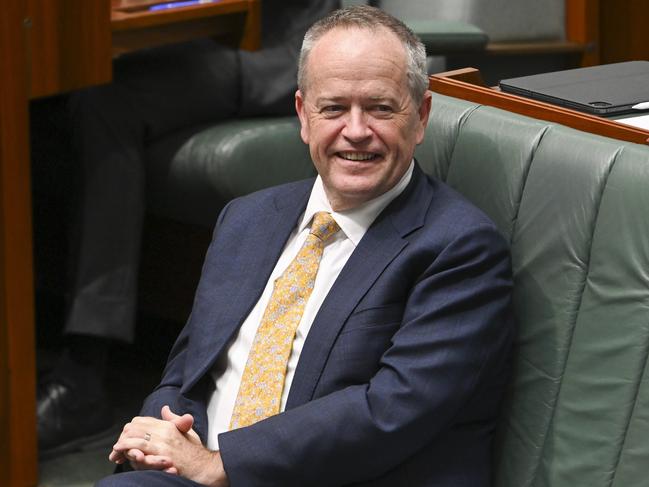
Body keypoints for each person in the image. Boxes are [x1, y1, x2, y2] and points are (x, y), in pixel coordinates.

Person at [97, 5, 514, 486]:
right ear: (303, 115)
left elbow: (390, 411)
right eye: (333, 108)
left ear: (420, 117)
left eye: (380, 108)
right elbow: (187, 371)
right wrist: (161, 441)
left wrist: (221, 464)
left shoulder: (459, 248)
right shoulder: (247, 218)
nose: (355, 131)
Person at [37, 0, 340, 458]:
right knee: (39, 96)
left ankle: (84, 373)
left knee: (103, 99)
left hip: (269, 49)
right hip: (180, 41)